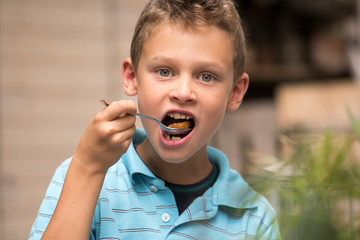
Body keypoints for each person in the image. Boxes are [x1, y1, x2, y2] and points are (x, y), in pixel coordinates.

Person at [29, 0, 281, 239]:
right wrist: (87, 169)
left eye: (206, 76)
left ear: (235, 93)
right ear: (131, 77)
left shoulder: (255, 218)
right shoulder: (83, 177)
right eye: (164, 71)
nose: (182, 93)